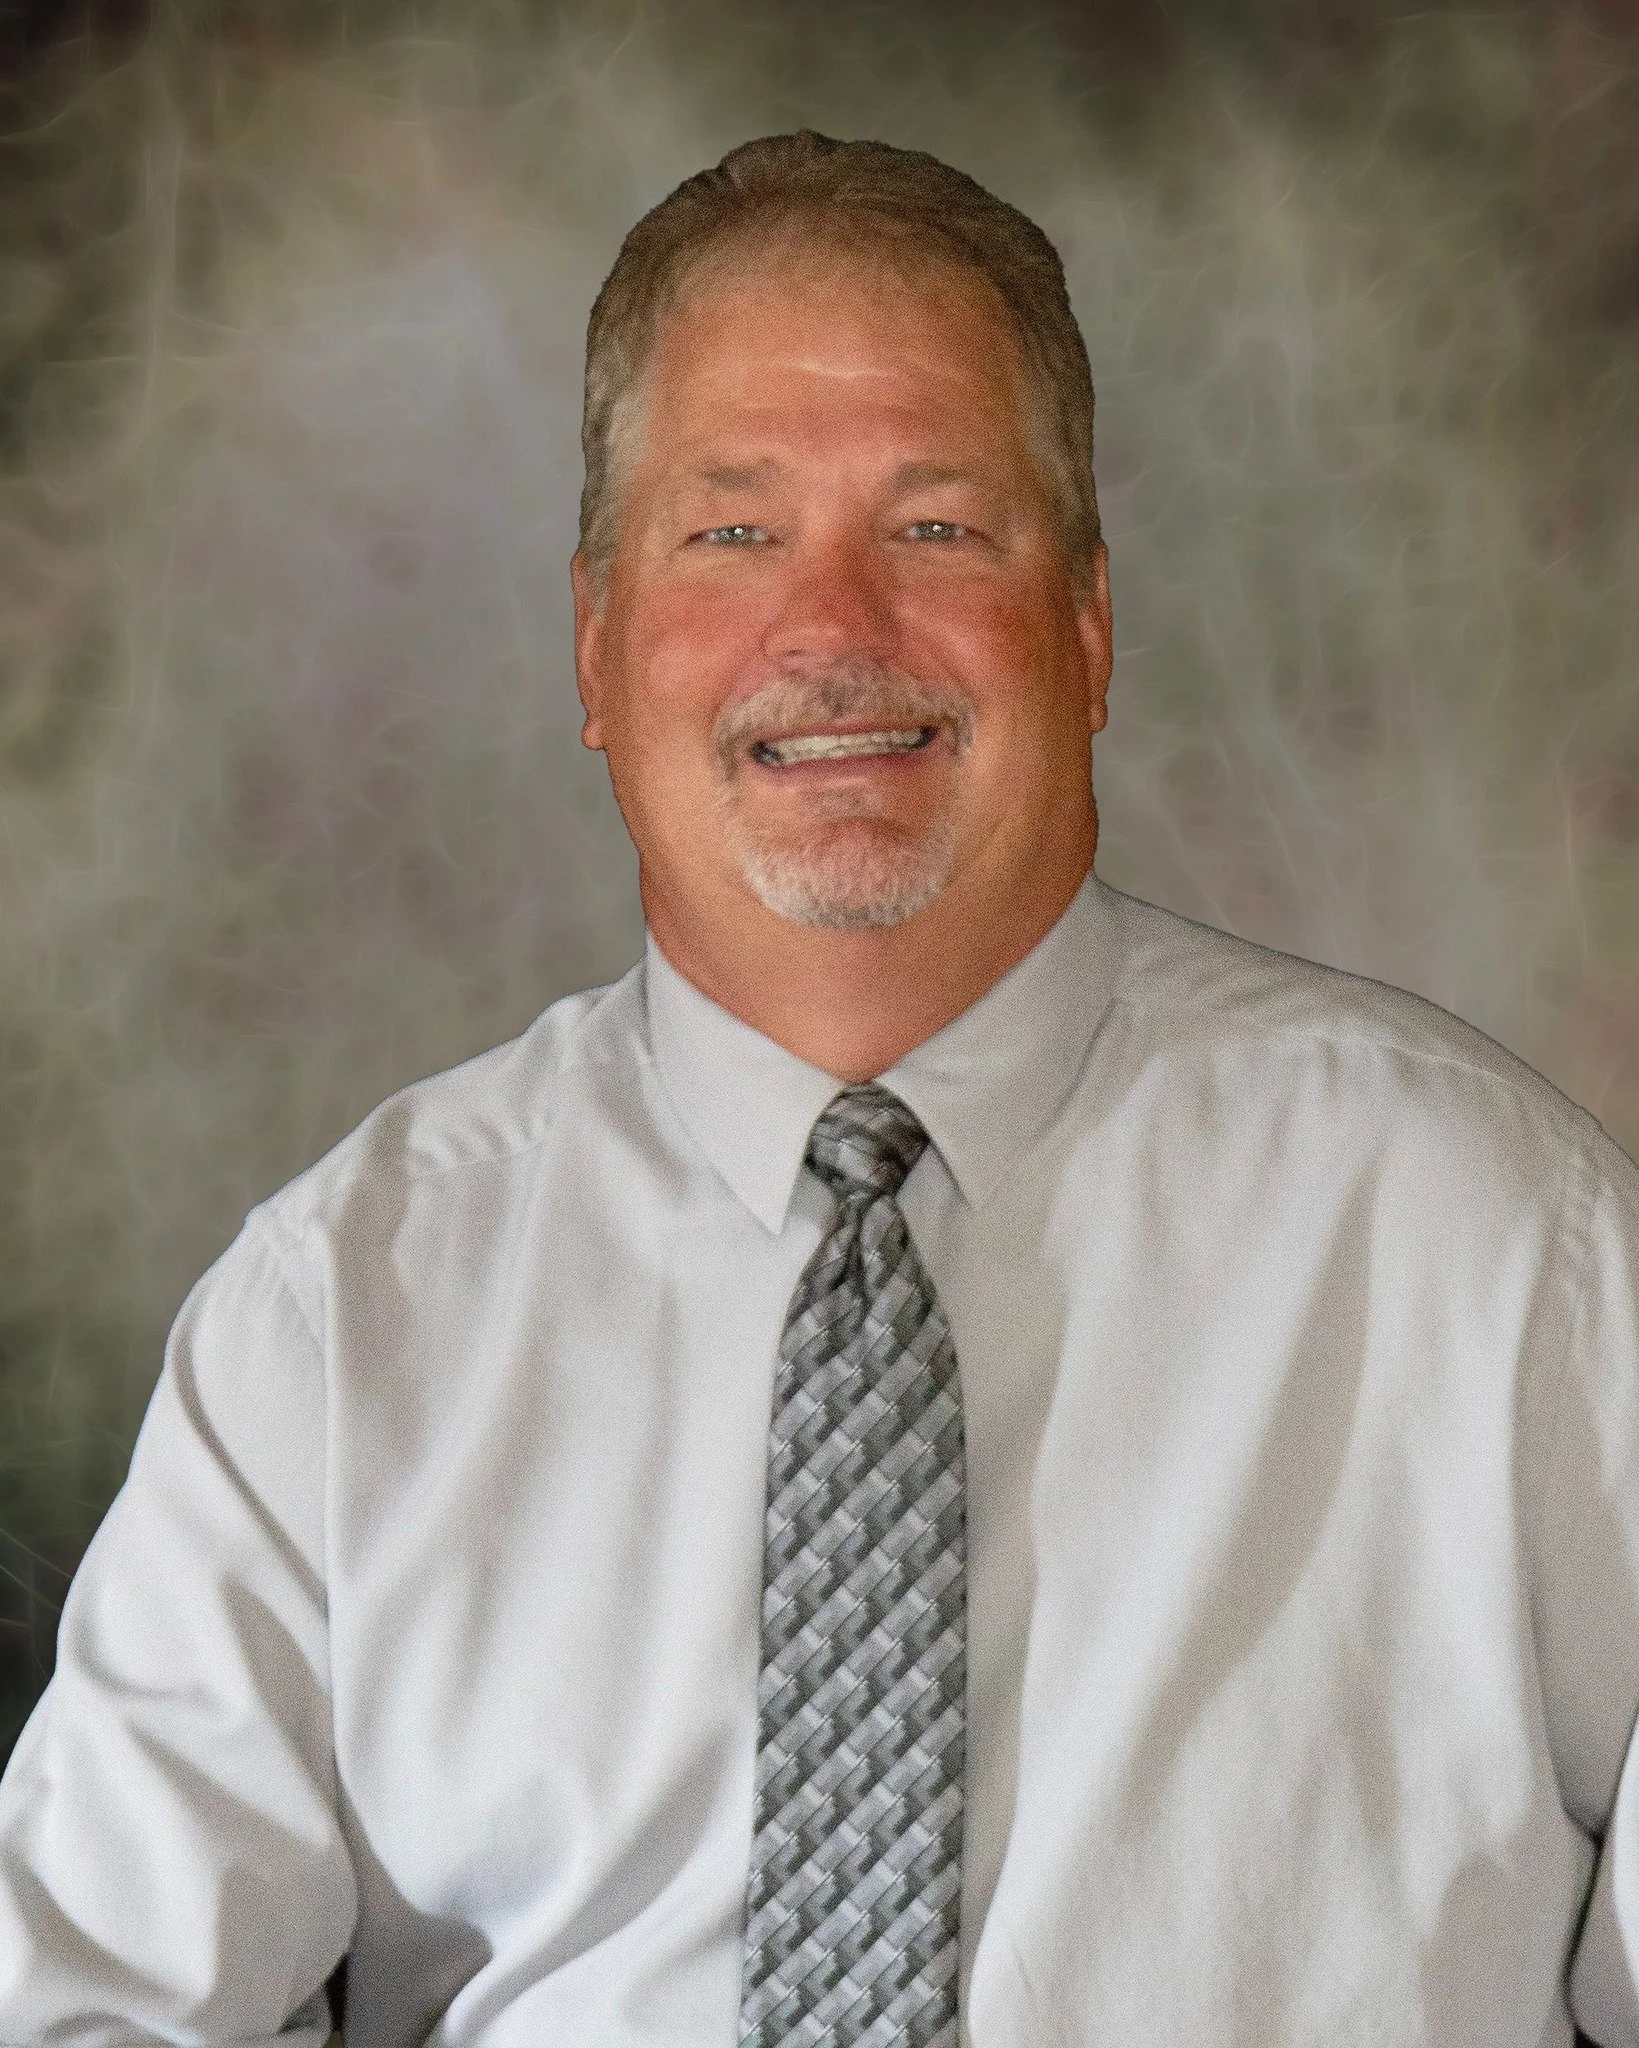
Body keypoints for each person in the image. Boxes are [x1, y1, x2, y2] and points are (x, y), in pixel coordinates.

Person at [1, 128, 1636, 2048]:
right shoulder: (343, 1314)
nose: (834, 631)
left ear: (1090, 625)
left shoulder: (1499, 1241)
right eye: (733, 530)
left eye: (938, 526)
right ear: (598, 645)